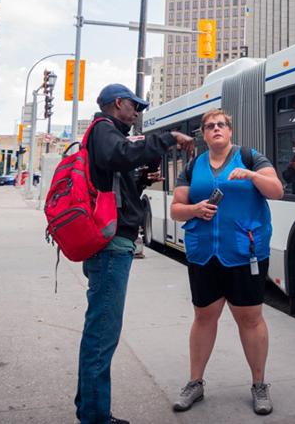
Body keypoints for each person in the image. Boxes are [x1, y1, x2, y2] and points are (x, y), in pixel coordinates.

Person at [75, 84, 195, 424]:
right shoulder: (104, 130)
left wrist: (139, 180)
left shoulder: (108, 135)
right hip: (111, 248)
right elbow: (122, 154)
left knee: (100, 333)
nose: (138, 112)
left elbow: (115, 178)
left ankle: (90, 410)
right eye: (134, 106)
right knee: (102, 336)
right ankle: (96, 418)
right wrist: (168, 137)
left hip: (113, 245)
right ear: (118, 104)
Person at [170, 109, 283, 416]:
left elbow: (277, 191)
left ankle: (259, 385)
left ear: (230, 131)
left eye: (221, 125)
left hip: (244, 253)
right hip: (204, 253)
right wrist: (194, 209)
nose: (216, 129)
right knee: (203, 317)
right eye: (210, 126)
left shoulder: (250, 157)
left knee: (250, 319)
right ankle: (195, 382)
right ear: (204, 135)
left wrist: (251, 175)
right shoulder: (193, 167)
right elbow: (175, 209)